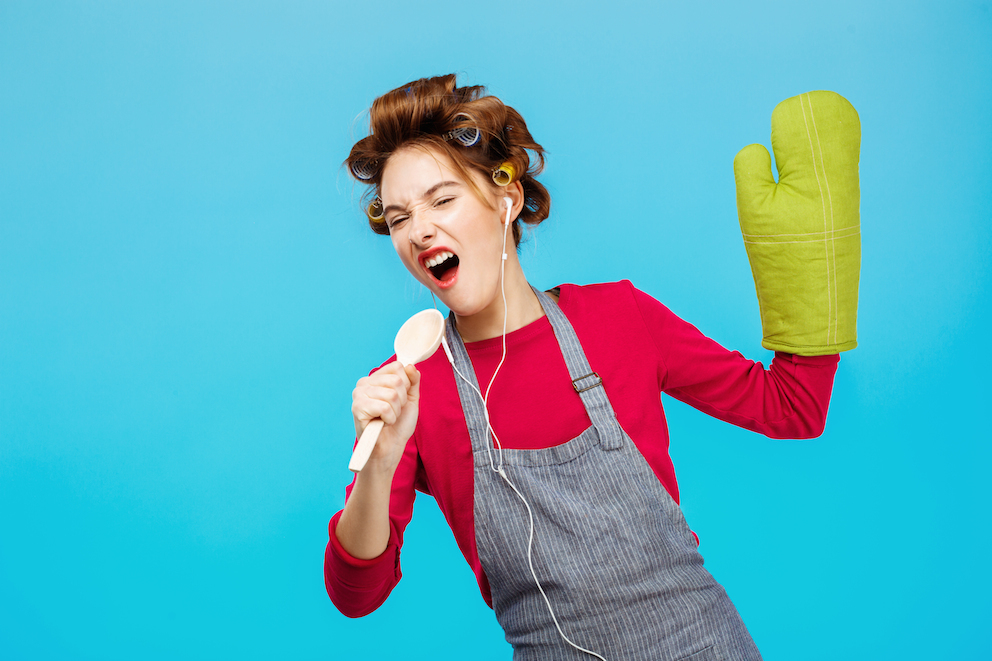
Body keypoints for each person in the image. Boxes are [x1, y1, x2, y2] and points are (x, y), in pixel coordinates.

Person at [325, 74, 843, 661]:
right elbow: (356, 594)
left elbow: (792, 408)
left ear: (506, 198)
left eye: (442, 200)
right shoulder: (409, 387)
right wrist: (381, 461)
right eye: (398, 218)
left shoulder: (618, 318)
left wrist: (811, 274)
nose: (420, 231)